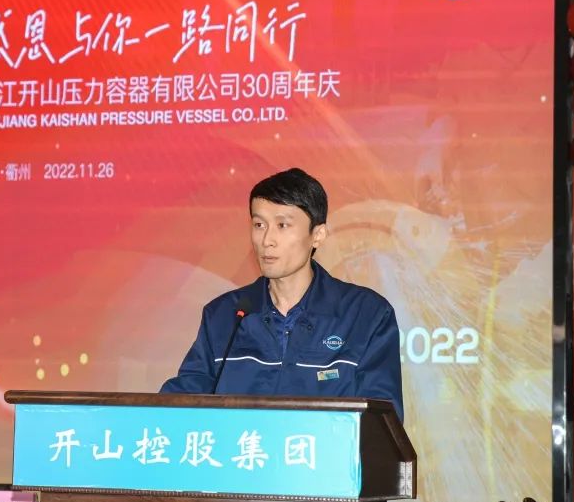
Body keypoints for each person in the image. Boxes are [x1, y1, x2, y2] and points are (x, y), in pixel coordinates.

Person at [160, 168, 404, 421]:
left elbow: (382, 423)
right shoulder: (224, 316)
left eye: (282, 225)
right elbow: (180, 405)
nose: (267, 240)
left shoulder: (366, 315)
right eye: (259, 225)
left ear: (317, 235)